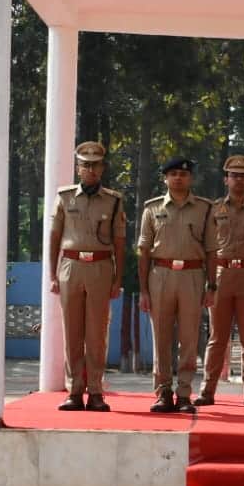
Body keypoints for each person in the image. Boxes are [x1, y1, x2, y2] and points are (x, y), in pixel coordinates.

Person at [49, 141, 126, 412]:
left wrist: (118, 279)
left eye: (96, 165)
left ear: (102, 168)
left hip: (101, 267)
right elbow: (55, 237)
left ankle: (95, 391)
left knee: (97, 332)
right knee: (72, 332)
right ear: (78, 168)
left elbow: (119, 242)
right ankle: (74, 392)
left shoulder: (114, 200)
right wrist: (53, 274)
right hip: (71, 266)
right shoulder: (65, 197)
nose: (91, 170)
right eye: (86, 165)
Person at [139, 156, 214, 414]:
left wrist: (211, 286)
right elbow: (144, 251)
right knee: (161, 336)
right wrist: (143, 290)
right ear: (165, 178)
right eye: (173, 174)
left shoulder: (204, 208)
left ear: (190, 178)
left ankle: (184, 393)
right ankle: (163, 392)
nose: (178, 178)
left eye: (183, 174)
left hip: (192, 275)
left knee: (189, 338)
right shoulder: (152, 208)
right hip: (160, 274)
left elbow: (212, 250)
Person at [197, 154, 244, 408]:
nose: (238, 180)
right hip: (221, 274)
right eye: (234, 175)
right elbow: (206, 245)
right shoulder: (213, 209)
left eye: (243, 176)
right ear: (225, 179)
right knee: (217, 337)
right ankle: (208, 390)